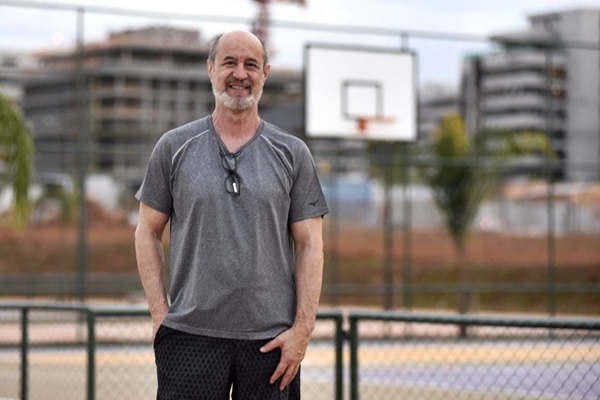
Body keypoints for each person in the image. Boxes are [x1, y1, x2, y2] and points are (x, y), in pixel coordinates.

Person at [134, 30, 329, 400]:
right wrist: (161, 316)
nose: (240, 73)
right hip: (190, 337)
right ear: (210, 70)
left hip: (271, 343)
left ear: (265, 74)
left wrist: (302, 330)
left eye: (251, 64)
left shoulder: (293, 153)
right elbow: (146, 232)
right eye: (229, 62)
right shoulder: (174, 148)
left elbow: (310, 246)